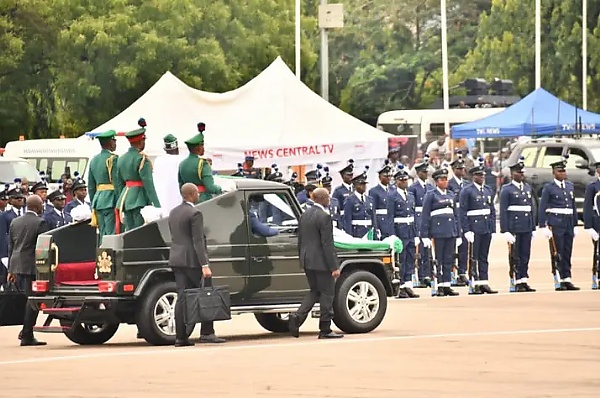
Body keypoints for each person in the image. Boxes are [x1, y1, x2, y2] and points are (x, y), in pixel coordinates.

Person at [168, 183, 226, 346]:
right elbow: (198, 240)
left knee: (182, 297)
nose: (199, 195)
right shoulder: (195, 213)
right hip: (192, 260)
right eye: (197, 193)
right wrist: (204, 264)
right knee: (205, 292)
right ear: (192, 194)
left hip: (176, 258)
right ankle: (207, 332)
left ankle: (180, 337)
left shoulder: (174, 212)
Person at [288, 187, 343, 339]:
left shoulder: (304, 214)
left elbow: (301, 240)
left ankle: (297, 317)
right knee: (327, 293)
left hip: (307, 260)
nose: (329, 199)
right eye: (327, 197)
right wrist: (334, 266)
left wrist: (302, 259)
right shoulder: (324, 217)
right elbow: (327, 244)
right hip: (321, 262)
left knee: (314, 291)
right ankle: (325, 328)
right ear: (322, 199)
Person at [7, 194, 48, 346]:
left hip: (16, 264)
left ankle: (26, 332)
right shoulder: (40, 222)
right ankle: (27, 334)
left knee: (28, 298)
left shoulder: (15, 222)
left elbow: (11, 246)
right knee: (33, 300)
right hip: (32, 266)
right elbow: (42, 247)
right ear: (37, 207)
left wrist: (11, 270)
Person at [537, 156, 579, 291]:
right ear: (554, 173)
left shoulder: (569, 186)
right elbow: (542, 206)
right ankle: (559, 278)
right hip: (556, 221)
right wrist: (543, 225)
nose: (563, 174)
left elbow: (573, 206)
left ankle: (567, 278)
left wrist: (575, 224)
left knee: (567, 250)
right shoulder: (549, 188)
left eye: (564, 171)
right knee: (558, 251)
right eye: (560, 171)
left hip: (568, 222)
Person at [420, 168, 461, 297]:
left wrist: (458, 233)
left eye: (445, 179)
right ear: (436, 182)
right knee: (438, 260)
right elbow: (425, 216)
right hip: (437, 232)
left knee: (448, 259)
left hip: (450, 231)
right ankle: (438, 285)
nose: (444, 182)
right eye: (441, 179)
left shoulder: (451, 194)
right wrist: (424, 235)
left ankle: (446, 284)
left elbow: (456, 216)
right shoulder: (431, 195)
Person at [459, 160, 498, 295]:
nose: (481, 178)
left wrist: (492, 228)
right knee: (473, 256)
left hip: (485, 227)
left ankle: (483, 281)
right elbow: (463, 212)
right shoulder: (467, 191)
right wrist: (466, 230)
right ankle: (474, 282)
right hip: (474, 228)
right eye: (478, 175)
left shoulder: (488, 190)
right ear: (473, 177)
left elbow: (491, 210)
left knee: (483, 256)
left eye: (483, 175)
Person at [115, 118, 161, 231]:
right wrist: (157, 206)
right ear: (141, 141)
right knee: (140, 232)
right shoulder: (142, 159)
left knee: (129, 231)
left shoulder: (121, 159)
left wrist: (121, 200)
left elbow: (119, 183)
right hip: (139, 199)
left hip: (125, 198)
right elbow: (148, 184)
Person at [499, 157, 536, 292]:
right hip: (514, 226)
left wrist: (533, 227)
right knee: (515, 254)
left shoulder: (527, 187)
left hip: (526, 225)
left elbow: (530, 208)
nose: (521, 174)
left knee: (525, 253)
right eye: (519, 172)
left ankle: (523, 279)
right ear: (512, 174)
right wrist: (506, 230)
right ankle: (515, 279)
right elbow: (503, 211)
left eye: (522, 172)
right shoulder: (507, 189)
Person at [385, 165, 419, 299]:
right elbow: (390, 217)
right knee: (402, 260)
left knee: (410, 258)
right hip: (400, 230)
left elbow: (414, 215)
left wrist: (416, 233)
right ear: (397, 181)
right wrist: (393, 234)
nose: (404, 182)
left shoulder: (410, 196)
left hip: (410, 230)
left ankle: (408, 285)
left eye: (406, 180)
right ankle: (401, 287)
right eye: (401, 180)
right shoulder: (392, 196)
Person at [88, 130, 121, 241]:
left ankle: (101, 256)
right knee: (112, 232)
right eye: (114, 140)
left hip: (98, 200)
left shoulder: (94, 160)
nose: (115, 143)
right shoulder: (113, 159)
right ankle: (110, 257)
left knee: (102, 232)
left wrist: (94, 202)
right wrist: (120, 201)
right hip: (111, 199)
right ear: (110, 142)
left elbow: (91, 186)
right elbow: (117, 182)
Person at [178, 123, 222, 203]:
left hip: (187, 202)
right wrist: (221, 189)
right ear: (198, 148)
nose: (203, 148)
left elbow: (181, 186)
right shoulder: (203, 164)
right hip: (203, 200)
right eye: (202, 146)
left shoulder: (182, 164)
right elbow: (210, 187)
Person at [409, 155, 434, 287]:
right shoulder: (413, 188)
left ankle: (427, 274)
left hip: (428, 219)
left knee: (428, 250)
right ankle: (418, 275)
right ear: (418, 173)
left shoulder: (430, 187)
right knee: (419, 251)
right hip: (418, 218)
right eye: (423, 172)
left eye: (427, 172)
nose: (426, 174)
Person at [447, 154, 468, 286]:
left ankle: (462, 272)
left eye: (463, 168)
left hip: (464, 216)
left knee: (464, 247)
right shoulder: (449, 184)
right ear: (454, 169)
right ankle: (451, 272)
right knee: (452, 248)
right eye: (459, 169)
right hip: (453, 217)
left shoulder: (466, 184)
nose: (462, 171)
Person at [153, 134, 186, 215]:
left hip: (162, 200)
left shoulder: (158, 160)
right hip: (178, 199)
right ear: (177, 148)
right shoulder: (181, 160)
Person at [0, 183, 25, 285]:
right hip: (12, 250)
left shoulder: (27, 213)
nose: (20, 200)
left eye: (21, 198)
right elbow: (2, 236)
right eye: (16, 198)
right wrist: (4, 255)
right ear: (10, 200)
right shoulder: (5, 216)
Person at [342, 168, 376, 238]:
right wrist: (349, 236)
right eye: (361, 184)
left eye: (364, 184)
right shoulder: (350, 200)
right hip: (357, 232)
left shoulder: (369, 199)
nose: (364, 186)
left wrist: (375, 231)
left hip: (369, 231)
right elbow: (347, 220)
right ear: (355, 185)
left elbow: (373, 218)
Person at [368, 161, 392, 239]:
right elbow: (373, 211)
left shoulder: (393, 189)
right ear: (380, 177)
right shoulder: (374, 191)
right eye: (385, 176)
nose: (388, 178)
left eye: (389, 176)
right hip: (381, 223)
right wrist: (376, 227)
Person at [583, 161, 600, 250]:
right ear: (598, 171)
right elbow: (587, 207)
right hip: (597, 222)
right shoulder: (592, 187)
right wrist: (588, 226)